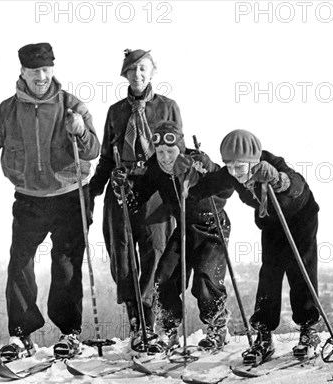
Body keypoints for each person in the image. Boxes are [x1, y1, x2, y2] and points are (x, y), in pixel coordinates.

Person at [0, 42, 101, 360]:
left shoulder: (72, 105)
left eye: (46, 69)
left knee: (65, 267)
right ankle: (21, 336)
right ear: (22, 71)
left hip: (70, 196)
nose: (41, 75)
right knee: (19, 264)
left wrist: (80, 131)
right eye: (34, 70)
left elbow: (93, 149)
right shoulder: (7, 111)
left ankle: (70, 334)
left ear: (53, 70)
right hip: (29, 199)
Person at [111, 121, 233, 353]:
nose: (165, 158)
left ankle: (217, 326)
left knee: (205, 279)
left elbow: (227, 189)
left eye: (170, 151)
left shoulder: (196, 161)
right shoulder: (156, 169)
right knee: (163, 277)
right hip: (184, 230)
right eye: (160, 152)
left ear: (180, 148)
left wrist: (211, 170)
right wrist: (123, 189)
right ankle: (169, 332)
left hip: (212, 227)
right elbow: (135, 200)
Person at [89, 49, 181, 352]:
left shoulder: (168, 107)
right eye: (131, 70)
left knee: (156, 253)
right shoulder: (116, 112)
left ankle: (150, 323)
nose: (137, 75)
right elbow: (105, 157)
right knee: (123, 258)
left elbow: (176, 152)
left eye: (143, 69)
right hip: (122, 190)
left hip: (156, 192)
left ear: (152, 71)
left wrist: (181, 192)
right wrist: (93, 190)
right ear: (125, 75)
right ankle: (137, 326)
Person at [204, 129, 321, 364]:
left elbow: (296, 185)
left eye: (240, 167)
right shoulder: (232, 173)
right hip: (272, 223)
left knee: (300, 271)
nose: (235, 174)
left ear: (254, 161)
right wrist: (188, 174)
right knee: (269, 274)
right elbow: (205, 185)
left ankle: (309, 330)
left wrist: (279, 179)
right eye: (230, 166)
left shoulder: (272, 164)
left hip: (299, 219)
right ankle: (264, 336)